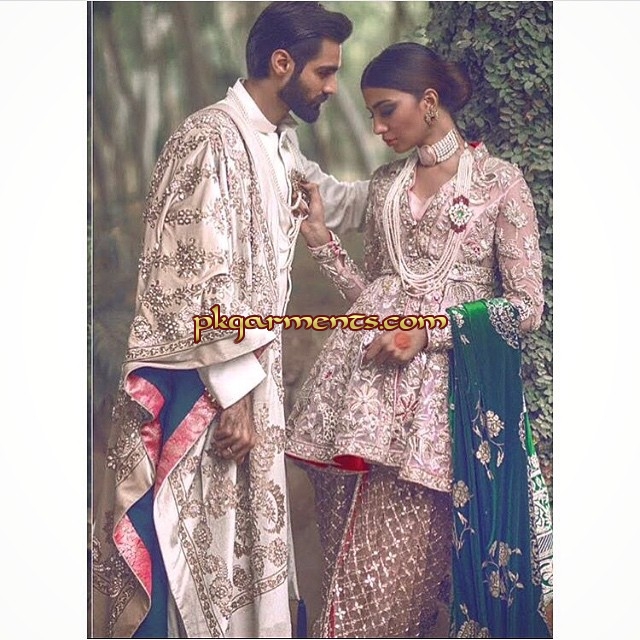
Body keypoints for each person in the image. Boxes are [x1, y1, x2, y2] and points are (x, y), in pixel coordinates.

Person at [91, 3, 369, 638]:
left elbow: (340, 200)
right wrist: (236, 393)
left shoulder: (280, 143)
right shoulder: (207, 138)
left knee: (241, 551)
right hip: (203, 384)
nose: (332, 87)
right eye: (325, 72)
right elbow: (195, 273)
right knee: (187, 544)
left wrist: (425, 178)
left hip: (249, 380)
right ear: (282, 63)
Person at [286, 42, 553, 638]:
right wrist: (321, 240)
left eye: (387, 111)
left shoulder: (499, 183)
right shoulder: (386, 185)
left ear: (429, 102)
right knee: (346, 578)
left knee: (379, 598)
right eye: (372, 115)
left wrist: (427, 335)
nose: (378, 128)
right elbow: (376, 296)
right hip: (354, 407)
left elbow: (526, 309)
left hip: (436, 419)